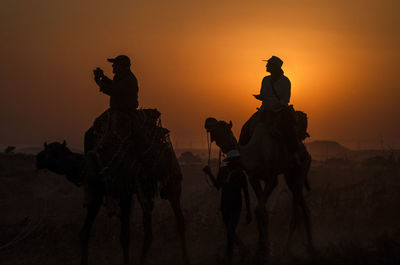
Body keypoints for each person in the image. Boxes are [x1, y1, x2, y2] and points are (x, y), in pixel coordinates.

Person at [239, 56, 301, 164]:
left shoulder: (285, 81)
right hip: (264, 109)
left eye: (269, 64)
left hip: (280, 110)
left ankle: (294, 155)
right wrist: (260, 97)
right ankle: (239, 155)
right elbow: (264, 94)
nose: (266, 66)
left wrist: (276, 106)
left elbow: (285, 99)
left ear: (275, 67)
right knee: (246, 128)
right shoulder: (265, 79)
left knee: (288, 131)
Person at [203, 153, 251, 265]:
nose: (237, 161)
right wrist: (209, 173)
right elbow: (217, 186)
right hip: (225, 206)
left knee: (230, 232)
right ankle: (243, 249)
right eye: (235, 160)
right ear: (231, 160)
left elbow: (246, 192)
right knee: (230, 232)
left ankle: (228, 257)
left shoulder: (241, 174)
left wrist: (248, 211)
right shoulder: (223, 171)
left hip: (236, 207)